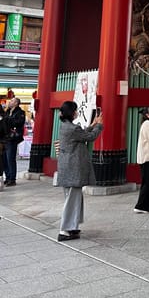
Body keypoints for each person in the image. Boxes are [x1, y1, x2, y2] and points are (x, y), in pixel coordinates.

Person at [56, 100, 103, 241]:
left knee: (73, 198)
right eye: (75, 110)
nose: (77, 112)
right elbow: (89, 137)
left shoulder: (67, 126)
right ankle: (64, 230)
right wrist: (99, 125)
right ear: (71, 112)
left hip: (67, 167)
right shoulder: (72, 128)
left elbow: (81, 134)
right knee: (72, 199)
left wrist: (93, 124)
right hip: (73, 169)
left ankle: (72, 227)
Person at [3, 96, 26, 186]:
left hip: (12, 138)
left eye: (12, 101)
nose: (10, 102)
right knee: (4, 159)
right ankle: (7, 176)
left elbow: (18, 123)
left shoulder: (20, 113)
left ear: (16, 103)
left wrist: (8, 120)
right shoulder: (7, 112)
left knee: (10, 159)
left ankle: (12, 179)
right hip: (5, 138)